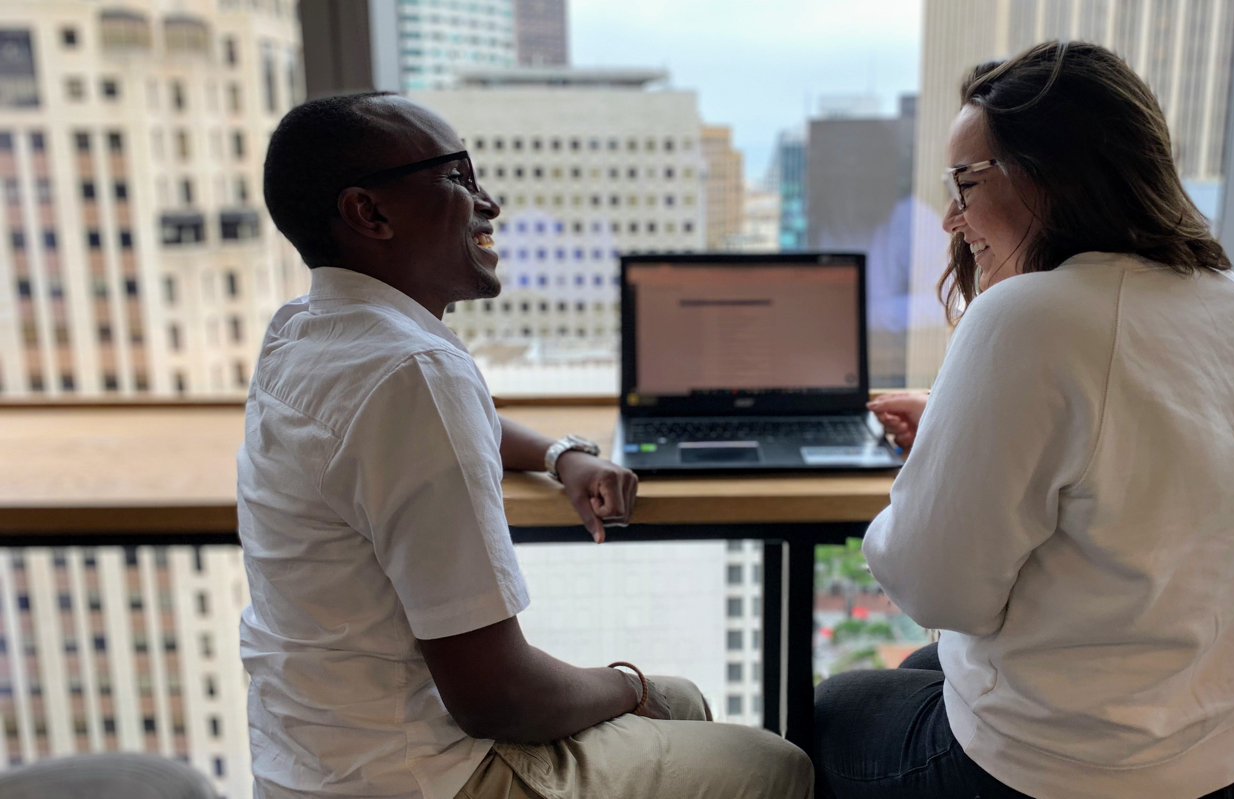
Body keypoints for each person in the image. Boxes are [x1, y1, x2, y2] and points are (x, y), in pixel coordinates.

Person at [240, 92, 813, 799]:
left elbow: (447, 423)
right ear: (370, 213)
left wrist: (560, 455)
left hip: (310, 758)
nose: (490, 203)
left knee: (683, 702)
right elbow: (498, 699)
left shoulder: (308, 328)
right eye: (458, 177)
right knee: (774, 764)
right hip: (420, 775)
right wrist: (629, 686)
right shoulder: (414, 373)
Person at [812, 41, 1234, 799]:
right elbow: (1135, 446)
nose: (950, 218)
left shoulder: (1029, 316)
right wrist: (960, 425)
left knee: (833, 707)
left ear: (1052, 173)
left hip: (1075, 775)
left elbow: (938, 592)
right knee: (919, 670)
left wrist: (932, 471)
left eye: (965, 183)